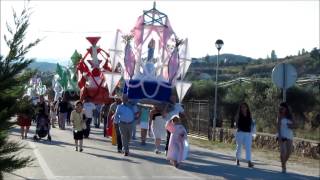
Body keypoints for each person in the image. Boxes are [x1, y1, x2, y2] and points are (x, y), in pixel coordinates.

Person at [277, 102, 295, 173]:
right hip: (282, 135)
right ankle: (283, 166)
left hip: (289, 135)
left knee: (289, 152)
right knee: (283, 151)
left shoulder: (291, 116)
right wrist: (280, 136)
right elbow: (278, 126)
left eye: (282, 108)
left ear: (286, 108)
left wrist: (291, 126)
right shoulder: (279, 116)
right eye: (280, 108)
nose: (281, 109)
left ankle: (283, 163)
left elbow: (295, 125)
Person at [235, 102, 254, 168]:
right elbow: (236, 124)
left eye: (244, 107)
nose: (243, 108)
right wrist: (237, 129)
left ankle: (249, 162)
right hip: (240, 132)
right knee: (239, 147)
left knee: (248, 148)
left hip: (248, 133)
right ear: (240, 108)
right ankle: (237, 160)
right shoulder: (239, 115)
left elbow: (252, 123)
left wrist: (252, 130)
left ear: (247, 108)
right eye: (242, 107)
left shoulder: (249, 114)